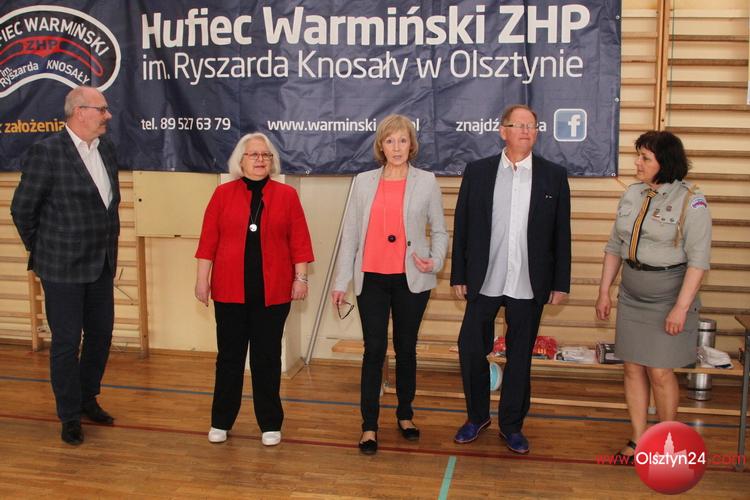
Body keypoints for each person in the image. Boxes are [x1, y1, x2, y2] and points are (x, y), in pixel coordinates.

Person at [450, 104, 571, 454]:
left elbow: (561, 233)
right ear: (503, 131)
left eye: (532, 126)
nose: (526, 131)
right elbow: (463, 225)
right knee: (470, 348)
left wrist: (560, 282)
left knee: (520, 357)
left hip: (529, 281)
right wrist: (459, 274)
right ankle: (477, 417)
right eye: (519, 125)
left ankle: (512, 425)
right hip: (484, 278)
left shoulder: (553, 175)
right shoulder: (478, 172)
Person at [331, 114, 448, 455]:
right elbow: (350, 236)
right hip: (371, 279)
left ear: (412, 145)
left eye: (402, 140)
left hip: (411, 279)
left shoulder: (427, 181)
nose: (396, 147)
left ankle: (405, 415)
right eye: (390, 140)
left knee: (406, 349)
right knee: (374, 350)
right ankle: (369, 425)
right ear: (381, 146)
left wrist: (435, 261)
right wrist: (341, 281)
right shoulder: (363, 182)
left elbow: (440, 230)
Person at [11, 86, 121, 445]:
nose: (107, 115)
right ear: (79, 112)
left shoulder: (107, 150)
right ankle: (69, 415)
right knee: (66, 342)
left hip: (101, 264)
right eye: (101, 109)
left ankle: (88, 398)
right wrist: (43, 250)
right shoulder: (47, 152)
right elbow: (22, 209)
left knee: (101, 336)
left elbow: (109, 208)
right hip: (61, 268)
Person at [595, 130, 711, 464]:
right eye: (639, 156)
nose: (637, 163)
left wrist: (681, 308)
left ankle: (666, 441)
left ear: (665, 162)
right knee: (632, 368)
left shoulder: (692, 201)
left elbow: (699, 261)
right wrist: (604, 291)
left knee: (659, 372)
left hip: (669, 297)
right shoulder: (632, 194)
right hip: (632, 295)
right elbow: (614, 247)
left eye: (645, 158)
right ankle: (638, 439)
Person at [195, 132, 314, 447]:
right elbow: (208, 241)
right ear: (241, 160)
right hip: (229, 291)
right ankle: (221, 421)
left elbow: (299, 241)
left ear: (272, 161)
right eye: (253, 155)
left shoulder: (287, 195)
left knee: (267, 358)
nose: (260, 160)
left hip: (273, 293)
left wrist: (301, 279)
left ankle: (270, 423)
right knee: (229, 358)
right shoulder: (222, 194)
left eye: (266, 155)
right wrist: (202, 279)